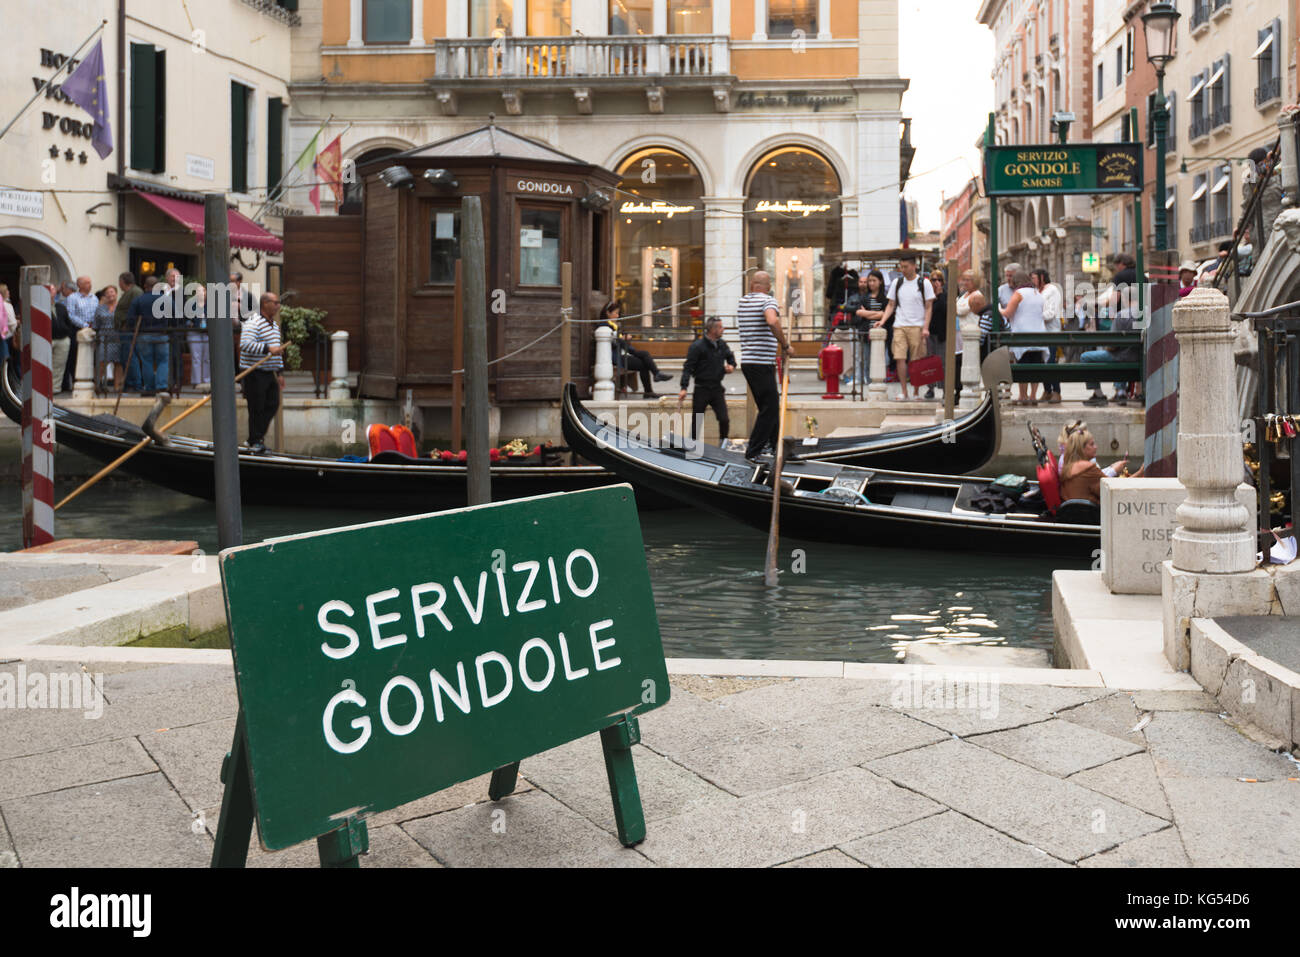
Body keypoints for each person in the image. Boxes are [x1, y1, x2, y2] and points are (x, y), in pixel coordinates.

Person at [737, 270, 792, 460]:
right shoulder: (768, 301)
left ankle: (776, 447)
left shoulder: (743, 302)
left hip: (748, 363)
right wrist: (785, 345)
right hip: (761, 363)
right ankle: (753, 451)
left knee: (770, 408)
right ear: (768, 287)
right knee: (769, 409)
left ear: (752, 285)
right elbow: (772, 320)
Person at [877, 251, 935, 400]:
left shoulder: (924, 283)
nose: (903, 269)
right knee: (899, 357)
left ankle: (916, 392)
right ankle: (904, 391)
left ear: (914, 266)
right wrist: (882, 321)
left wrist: (926, 327)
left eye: (906, 266)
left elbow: (929, 306)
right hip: (900, 325)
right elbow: (891, 304)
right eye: (901, 267)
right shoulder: (897, 283)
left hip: (917, 326)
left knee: (916, 360)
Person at [240, 291, 287, 454]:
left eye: (278, 303)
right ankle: (255, 440)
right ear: (265, 303)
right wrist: (268, 349)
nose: (278, 306)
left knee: (273, 404)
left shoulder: (274, 325)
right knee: (256, 407)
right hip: (253, 372)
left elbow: (277, 349)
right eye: (275, 302)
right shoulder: (253, 322)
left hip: (268, 372)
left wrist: (280, 373)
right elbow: (245, 345)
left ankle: (255, 438)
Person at [678, 316, 736, 442]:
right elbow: (688, 368)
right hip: (701, 389)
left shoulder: (722, 344)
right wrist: (684, 387)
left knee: (724, 419)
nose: (723, 329)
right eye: (720, 327)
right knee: (697, 420)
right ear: (712, 329)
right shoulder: (697, 346)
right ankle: (692, 445)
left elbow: (730, 357)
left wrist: (731, 366)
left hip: (716, 388)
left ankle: (723, 444)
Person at [598, 301, 671, 399]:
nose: (617, 315)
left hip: (620, 355)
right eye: (615, 313)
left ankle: (651, 386)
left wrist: (623, 338)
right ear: (608, 313)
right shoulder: (605, 325)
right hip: (615, 358)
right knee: (644, 356)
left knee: (644, 362)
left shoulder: (613, 325)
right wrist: (623, 338)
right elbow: (613, 342)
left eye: (618, 313)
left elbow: (617, 339)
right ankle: (655, 377)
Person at [1000, 267, 1046, 406]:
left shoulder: (1018, 294)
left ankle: (1023, 396)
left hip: (1022, 336)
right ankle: (1033, 396)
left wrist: (998, 309)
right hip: (1039, 335)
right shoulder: (1037, 293)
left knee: (1022, 366)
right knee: (1036, 366)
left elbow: (1008, 313)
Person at [1060, 428, 1141, 504]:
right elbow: (1115, 491)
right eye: (1092, 444)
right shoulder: (1088, 468)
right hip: (1092, 515)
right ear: (1082, 448)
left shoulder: (1067, 467)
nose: (1096, 447)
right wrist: (1140, 473)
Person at [844, 270, 887, 388]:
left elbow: (886, 314)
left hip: (881, 333)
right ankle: (868, 381)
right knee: (866, 358)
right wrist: (878, 313)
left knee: (882, 359)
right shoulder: (864, 297)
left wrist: (868, 313)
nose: (871, 283)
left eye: (874, 281)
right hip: (866, 332)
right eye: (870, 281)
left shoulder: (885, 298)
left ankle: (879, 381)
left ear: (880, 281)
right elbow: (859, 312)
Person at [127, 275, 168, 395]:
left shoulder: (138, 300)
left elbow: (130, 318)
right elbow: (175, 315)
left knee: (146, 361)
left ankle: (150, 387)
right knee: (163, 360)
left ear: (145, 286)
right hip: (161, 333)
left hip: (144, 334)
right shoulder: (165, 299)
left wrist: (134, 327)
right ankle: (161, 385)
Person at [1032, 268, 1063, 404]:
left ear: (1042, 277)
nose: (1032, 281)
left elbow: (1050, 313)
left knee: (1050, 362)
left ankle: (1056, 392)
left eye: (1034, 278)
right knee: (1041, 362)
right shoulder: (1037, 291)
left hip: (1051, 332)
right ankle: (1047, 391)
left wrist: (1033, 316)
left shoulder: (1052, 291)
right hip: (1039, 332)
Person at [63, 275, 98, 392]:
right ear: (80, 285)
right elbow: (71, 315)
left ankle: (91, 379)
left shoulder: (94, 298)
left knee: (92, 355)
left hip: (93, 329)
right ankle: (75, 381)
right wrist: (85, 325)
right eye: (87, 283)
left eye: (90, 282)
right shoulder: (72, 298)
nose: (90, 285)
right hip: (77, 330)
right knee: (75, 356)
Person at [113, 271, 143, 393]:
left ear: (122, 282)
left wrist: (129, 325)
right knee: (126, 358)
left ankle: (135, 384)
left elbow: (135, 311)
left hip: (129, 331)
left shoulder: (135, 292)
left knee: (131, 358)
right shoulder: (128, 293)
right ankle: (130, 383)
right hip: (124, 331)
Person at [46, 284, 74, 395]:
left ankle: (55, 389)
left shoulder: (61, 307)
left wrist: (66, 332)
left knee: (59, 366)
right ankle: (44, 389)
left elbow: (68, 322)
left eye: (53, 289)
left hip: (62, 339)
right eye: (49, 288)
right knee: (46, 365)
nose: (51, 291)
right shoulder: (40, 307)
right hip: (48, 339)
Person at [924, 271, 948, 400]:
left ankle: (945, 389)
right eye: (933, 280)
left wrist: (940, 295)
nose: (936, 282)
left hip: (941, 334)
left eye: (938, 279)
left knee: (943, 362)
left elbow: (946, 311)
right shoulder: (927, 296)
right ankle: (930, 388)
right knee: (929, 362)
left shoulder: (945, 295)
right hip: (929, 333)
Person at [93, 285, 119, 390]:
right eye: (108, 293)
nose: (110, 294)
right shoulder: (100, 308)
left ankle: (118, 386)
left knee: (118, 362)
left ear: (116, 294)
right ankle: (97, 385)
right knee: (102, 362)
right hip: (103, 337)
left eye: (112, 292)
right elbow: (96, 324)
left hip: (118, 337)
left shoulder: (120, 307)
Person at [0, 284, 12, 368]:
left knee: (5, 358)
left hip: (2, 334)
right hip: (2, 335)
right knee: (5, 357)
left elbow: (3, 316)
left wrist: (4, 329)